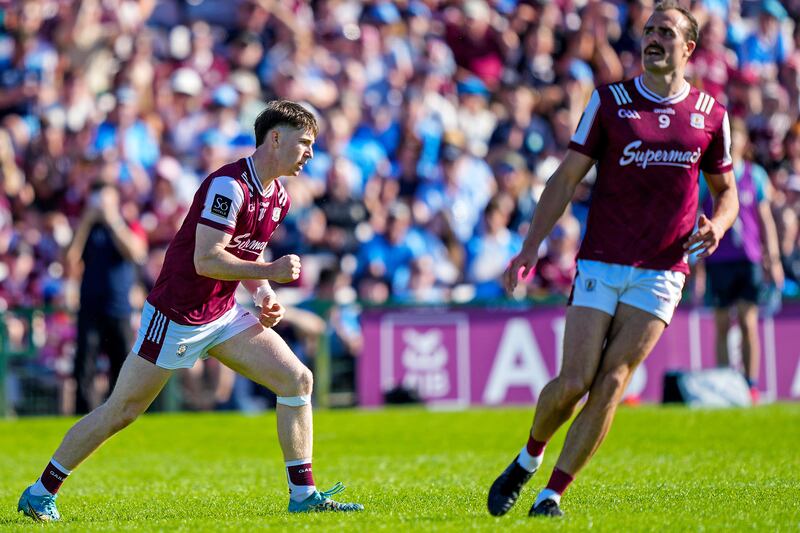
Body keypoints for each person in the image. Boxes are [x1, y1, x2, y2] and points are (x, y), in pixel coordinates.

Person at [18, 101, 363, 522]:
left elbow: (244, 255)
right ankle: (40, 492)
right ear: (276, 137)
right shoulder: (229, 187)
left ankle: (303, 493)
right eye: (304, 142)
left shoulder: (279, 198)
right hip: (176, 316)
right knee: (121, 411)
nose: (310, 153)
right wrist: (269, 269)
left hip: (221, 314)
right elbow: (206, 259)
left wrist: (264, 291)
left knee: (296, 379)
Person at [487, 2, 739, 518]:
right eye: (648, 30)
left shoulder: (712, 115)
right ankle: (527, 457)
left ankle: (551, 494)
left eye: (665, 32)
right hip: (602, 261)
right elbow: (564, 179)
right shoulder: (610, 102)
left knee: (613, 380)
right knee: (575, 381)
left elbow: (727, 191)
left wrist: (720, 224)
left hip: (663, 271)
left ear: (688, 48)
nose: (652, 39)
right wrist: (531, 245)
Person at [697, 119, 784, 403]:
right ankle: (725, 385)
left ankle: (750, 384)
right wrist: (696, 264)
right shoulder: (706, 177)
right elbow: (696, 216)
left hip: (748, 260)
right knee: (722, 324)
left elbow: (765, 219)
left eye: (737, 137)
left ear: (744, 142)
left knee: (748, 323)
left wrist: (773, 258)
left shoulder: (754, 175)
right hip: (718, 259)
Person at [64, 161, 148, 414]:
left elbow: (137, 252)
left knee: (122, 368)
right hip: (90, 306)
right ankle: (85, 418)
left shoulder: (127, 224)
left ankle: (119, 415)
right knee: (84, 369)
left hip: (119, 308)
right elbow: (69, 260)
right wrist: (85, 223)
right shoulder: (86, 228)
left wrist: (114, 221)